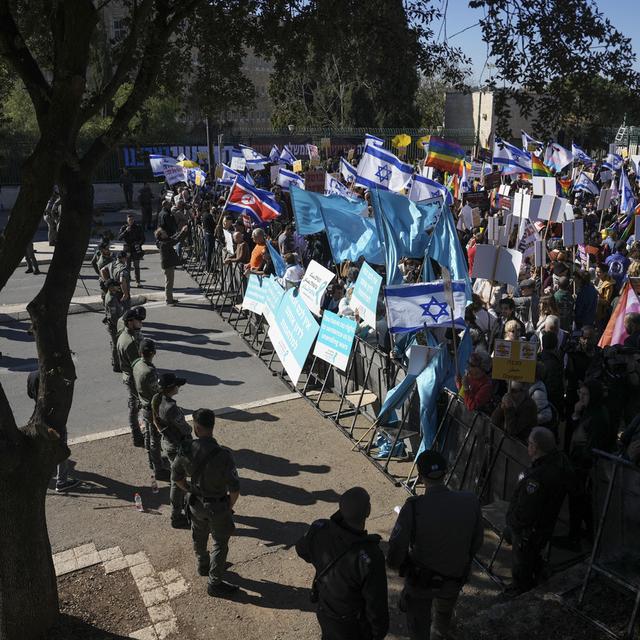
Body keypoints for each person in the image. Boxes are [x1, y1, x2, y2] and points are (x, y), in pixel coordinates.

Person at [387, 450, 483, 640]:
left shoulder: (414, 507)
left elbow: (397, 549)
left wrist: (396, 565)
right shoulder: (470, 501)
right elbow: (477, 541)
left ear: (421, 477)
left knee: (418, 626)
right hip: (453, 578)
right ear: (445, 473)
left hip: (421, 583)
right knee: (442, 619)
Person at [296, 487, 389, 640]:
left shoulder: (320, 528)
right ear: (368, 511)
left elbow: (301, 550)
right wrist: (377, 633)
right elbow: (376, 604)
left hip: (325, 610)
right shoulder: (370, 556)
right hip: (352, 625)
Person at [172, 409, 241, 595]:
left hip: (195, 503)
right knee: (220, 543)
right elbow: (235, 489)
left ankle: (203, 564)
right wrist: (229, 506)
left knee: (199, 535)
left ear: (196, 427)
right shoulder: (224, 455)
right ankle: (214, 583)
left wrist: (188, 489)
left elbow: (176, 476)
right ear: (212, 426)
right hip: (218, 506)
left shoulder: (186, 449)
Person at [504, 427, 574, 596]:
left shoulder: (537, 478)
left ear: (535, 447)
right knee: (531, 558)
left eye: (529, 443)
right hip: (542, 528)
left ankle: (520, 590)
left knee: (522, 565)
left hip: (529, 531)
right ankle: (535, 577)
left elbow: (527, 512)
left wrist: (512, 523)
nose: (528, 446)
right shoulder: (558, 462)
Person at [27, 370, 79, 492]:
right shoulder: (53, 377)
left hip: (39, 414)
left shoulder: (32, 375)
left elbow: (30, 394)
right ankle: (62, 481)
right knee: (60, 445)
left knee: (41, 444)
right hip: (54, 416)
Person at [152, 373, 192, 528]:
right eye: (177, 385)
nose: (179, 387)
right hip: (178, 446)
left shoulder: (156, 399)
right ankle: (176, 516)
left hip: (168, 442)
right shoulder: (171, 408)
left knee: (177, 478)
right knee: (177, 480)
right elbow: (185, 428)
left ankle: (183, 507)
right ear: (171, 388)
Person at [132, 339, 167, 480]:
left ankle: (151, 461)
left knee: (148, 434)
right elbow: (156, 391)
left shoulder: (136, 364)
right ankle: (158, 468)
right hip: (151, 407)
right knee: (155, 439)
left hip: (143, 403)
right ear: (153, 353)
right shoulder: (149, 371)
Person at [116, 308, 145, 447]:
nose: (141, 322)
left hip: (128, 375)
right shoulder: (131, 342)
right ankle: (137, 436)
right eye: (138, 320)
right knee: (137, 407)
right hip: (134, 378)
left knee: (134, 406)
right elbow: (138, 366)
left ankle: (136, 435)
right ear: (130, 322)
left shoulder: (124, 335)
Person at [155, 225, 188, 305]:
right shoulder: (163, 244)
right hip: (168, 265)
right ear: (161, 236)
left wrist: (180, 231)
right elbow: (175, 241)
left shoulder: (164, 241)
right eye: (163, 233)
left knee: (169, 282)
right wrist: (183, 232)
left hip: (168, 264)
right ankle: (169, 300)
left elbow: (173, 238)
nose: (165, 233)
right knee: (169, 283)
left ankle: (170, 299)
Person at [104, 279, 125, 372]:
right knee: (116, 345)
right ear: (111, 287)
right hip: (114, 325)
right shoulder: (111, 299)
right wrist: (119, 327)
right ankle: (116, 365)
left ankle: (115, 361)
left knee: (114, 343)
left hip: (114, 324)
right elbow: (113, 316)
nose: (118, 287)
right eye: (116, 285)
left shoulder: (112, 295)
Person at [118, 213, 145, 287]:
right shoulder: (124, 227)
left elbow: (143, 238)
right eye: (129, 220)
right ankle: (127, 281)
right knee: (127, 266)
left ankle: (138, 282)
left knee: (136, 266)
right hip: (127, 248)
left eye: (132, 219)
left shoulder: (138, 227)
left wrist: (139, 244)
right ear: (127, 220)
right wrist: (126, 231)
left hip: (136, 248)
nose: (131, 221)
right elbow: (119, 238)